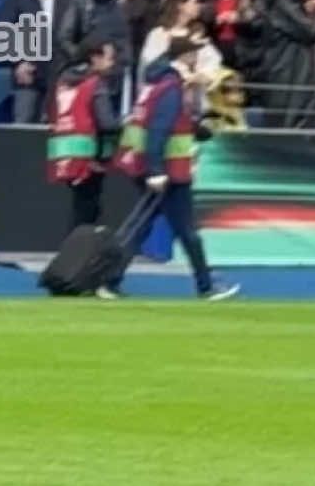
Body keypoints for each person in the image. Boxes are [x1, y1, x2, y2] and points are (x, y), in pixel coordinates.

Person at [110, 34, 238, 301]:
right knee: (185, 231)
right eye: (195, 53)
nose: (198, 59)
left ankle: (110, 280)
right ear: (186, 56)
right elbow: (159, 129)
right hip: (169, 172)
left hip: (158, 168)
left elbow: (164, 123)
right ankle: (205, 286)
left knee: (145, 227)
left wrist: (197, 129)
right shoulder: (171, 87)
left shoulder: (159, 83)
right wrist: (156, 170)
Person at [46, 34, 120, 235]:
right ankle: (74, 257)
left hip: (66, 153)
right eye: (109, 57)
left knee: (83, 207)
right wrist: (125, 123)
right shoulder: (95, 84)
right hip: (90, 155)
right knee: (87, 210)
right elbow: (107, 123)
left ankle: (77, 255)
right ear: (95, 58)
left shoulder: (65, 80)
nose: (112, 62)